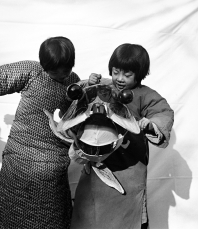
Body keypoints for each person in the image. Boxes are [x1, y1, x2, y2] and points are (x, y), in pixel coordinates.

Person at [0, 36, 81, 229]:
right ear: (44, 65)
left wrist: (84, 92)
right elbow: (1, 76)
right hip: (19, 154)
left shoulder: (73, 81)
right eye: (56, 71)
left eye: (66, 70)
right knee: (9, 212)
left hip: (52, 157)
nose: (62, 75)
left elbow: (73, 114)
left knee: (51, 212)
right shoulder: (32, 71)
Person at [70, 43, 174, 229]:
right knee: (87, 216)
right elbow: (79, 100)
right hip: (97, 166)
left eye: (127, 75)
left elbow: (163, 113)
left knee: (125, 219)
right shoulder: (104, 87)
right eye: (116, 72)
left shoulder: (146, 95)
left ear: (140, 74)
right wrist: (88, 84)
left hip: (128, 170)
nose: (119, 78)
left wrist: (151, 125)